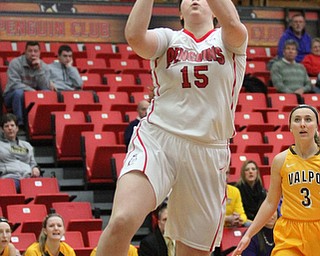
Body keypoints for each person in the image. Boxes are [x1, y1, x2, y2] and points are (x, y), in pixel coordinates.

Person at [96, 0, 248, 254]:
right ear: (179, 12)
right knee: (122, 220)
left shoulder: (230, 40)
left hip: (208, 150)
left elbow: (232, 21)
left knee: (193, 251)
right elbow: (134, 36)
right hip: (159, 139)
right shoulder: (168, 38)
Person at [233, 104, 320, 256]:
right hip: (290, 232)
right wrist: (249, 234)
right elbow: (270, 202)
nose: (303, 124)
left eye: (308, 119)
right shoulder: (280, 160)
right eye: (297, 120)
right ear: (290, 127)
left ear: (316, 125)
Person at [3, 41, 50, 127]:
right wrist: (32, 92)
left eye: (35, 51)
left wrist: (39, 70)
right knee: (19, 93)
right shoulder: (15, 63)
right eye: (30, 51)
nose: (33, 54)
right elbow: (14, 83)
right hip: (11, 95)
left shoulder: (44, 66)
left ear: (39, 53)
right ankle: (19, 124)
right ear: (25, 52)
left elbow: (45, 86)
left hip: (33, 95)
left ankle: (42, 124)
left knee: (47, 93)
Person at [0, 113, 40, 191]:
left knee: (53, 185)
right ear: (2, 129)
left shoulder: (26, 145)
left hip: (28, 177)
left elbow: (33, 163)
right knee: (10, 188)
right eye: (6, 126)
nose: (10, 128)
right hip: (10, 178)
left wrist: (35, 168)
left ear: (17, 128)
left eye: (12, 125)